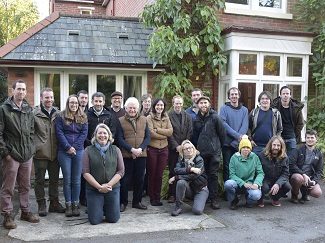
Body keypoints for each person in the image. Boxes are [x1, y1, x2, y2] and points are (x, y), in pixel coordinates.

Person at [0, 80, 39, 229]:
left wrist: (31, 149)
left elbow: (31, 132)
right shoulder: (4, 110)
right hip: (11, 154)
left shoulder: (28, 110)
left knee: (26, 185)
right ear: (13, 90)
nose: (21, 92)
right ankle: (7, 215)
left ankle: (25, 211)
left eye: (24, 89)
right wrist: (6, 154)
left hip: (26, 154)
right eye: (19, 89)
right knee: (8, 187)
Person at [80, 92, 121, 205]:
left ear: (103, 102)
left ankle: (106, 195)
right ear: (92, 102)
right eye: (96, 101)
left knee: (103, 173)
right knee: (87, 173)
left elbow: (112, 132)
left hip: (105, 148)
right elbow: (84, 132)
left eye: (100, 101)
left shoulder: (109, 115)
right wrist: (91, 144)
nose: (98, 103)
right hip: (89, 148)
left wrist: (104, 142)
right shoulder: (86, 114)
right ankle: (84, 199)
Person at [82, 124, 124, 225]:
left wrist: (108, 185)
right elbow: (85, 172)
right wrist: (99, 187)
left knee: (113, 219)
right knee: (95, 220)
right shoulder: (88, 150)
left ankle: (104, 208)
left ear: (109, 135)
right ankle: (97, 208)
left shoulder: (116, 150)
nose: (102, 135)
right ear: (95, 135)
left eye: (105, 133)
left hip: (112, 188)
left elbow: (121, 171)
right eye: (99, 133)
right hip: (94, 189)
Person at [33, 88, 65, 216]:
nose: (49, 100)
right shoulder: (34, 113)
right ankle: (41, 203)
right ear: (41, 98)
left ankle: (54, 203)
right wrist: (35, 147)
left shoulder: (58, 114)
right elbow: (30, 133)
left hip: (55, 152)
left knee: (54, 180)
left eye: (51, 97)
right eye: (46, 97)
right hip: (40, 153)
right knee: (39, 180)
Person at [55, 95, 88, 217]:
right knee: (67, 180)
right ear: (68, 103)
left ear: (79, 104)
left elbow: (84, 133)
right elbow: (59, 132)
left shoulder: (83, 117)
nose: (74, 105)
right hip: (64, 151)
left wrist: (75, 147)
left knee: (77, 180)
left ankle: (76, 204)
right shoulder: (61, 116)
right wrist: (68, 147)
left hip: (79, 151)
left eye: (76, 103)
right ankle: (68, 205)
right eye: (71, 102)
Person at [192, 96, 225, 209]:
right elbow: (194, 136)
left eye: (205, 103)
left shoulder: (215, 117)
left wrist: (218, 148)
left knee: (213, 175)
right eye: (201, 103)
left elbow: (222, 134)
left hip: (214, 152)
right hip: (201, 152)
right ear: (198, 105)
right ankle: (204, 197)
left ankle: (214, 199)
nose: (203, 105)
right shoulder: (196, 119)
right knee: (202, 175)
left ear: (209, 104)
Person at [117, 97, 150, 212]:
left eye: (134, 107)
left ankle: (137, 201)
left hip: (141, 155)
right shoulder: (120, 120)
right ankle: (123, 202)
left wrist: (140, 149)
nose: (132, 110)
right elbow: (119, 139)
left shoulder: (144, 120)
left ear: (138, 108)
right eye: (130, 107)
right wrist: (132, 150)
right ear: (125, 108)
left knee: (140, 179)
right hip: (126, 155)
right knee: (125, 180)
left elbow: (148, 138)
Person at [168, 140, 209, 216]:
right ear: (182, 151)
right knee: (181, 182)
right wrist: (190, 169)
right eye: (186, 149)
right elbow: (176, 169)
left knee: (197, 211)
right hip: (189, 189)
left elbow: (194, 176)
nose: (189, 150)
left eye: (190, 148)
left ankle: (200, 200)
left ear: (194, 148)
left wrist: (176, 177)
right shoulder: (181, 159)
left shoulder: (199, 159)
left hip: (200, 189)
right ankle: (178, 207)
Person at [224, 135, 264, 209]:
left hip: (250, 184)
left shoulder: (255, 157)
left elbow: (260, 173)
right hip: (238, 183)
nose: (246, 149)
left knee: (257, 195)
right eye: (244, 147)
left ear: (250, 149)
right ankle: (234, 200)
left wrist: (256, 183)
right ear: (240, 148)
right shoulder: (234, 158)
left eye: (248, 147)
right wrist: (243, 183)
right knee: (228, 184)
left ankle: (249, 202)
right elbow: (232, 174)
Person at [146, 98, 173, 206]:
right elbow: (151, 133)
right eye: (157, 105)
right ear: (154, 106)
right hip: (152, 149)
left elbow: (170, 132)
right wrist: (163, 134)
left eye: (161, 105)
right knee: (152, 173)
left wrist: (158, 130)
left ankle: (158, 197)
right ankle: (152, 197)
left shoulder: (166, 117)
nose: (159, 107)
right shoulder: (149, 117)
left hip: (164, 149)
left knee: (160, 174)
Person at [219, 87, 249, 182]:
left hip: (239, 145)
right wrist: (237, 136)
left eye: (236, 94)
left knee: (239, 167)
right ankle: (228, 192)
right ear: (229, 96)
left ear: (239, 96)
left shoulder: (244, 110)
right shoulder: (224, 109)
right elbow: (223, 124)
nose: (234, 96)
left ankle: (238, 190)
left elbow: (245, 126)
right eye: (232, 94)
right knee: (227, 167)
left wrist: (237, 140)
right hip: (227, 144)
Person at [167, 95, 192, 203]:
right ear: (173, 104)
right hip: (173, 149)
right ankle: (172, 194)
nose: (178, 105)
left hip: (185, 149)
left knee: (184, 170)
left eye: (180, 103)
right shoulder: (168, 116)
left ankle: (183, 194)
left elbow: (190, 131)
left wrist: (185, 145)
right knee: (173, 170)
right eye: (176, 103)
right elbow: (169, 133)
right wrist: (176, 146)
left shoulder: (187, 116)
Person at [289, 129, 323, 204]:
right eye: (308, 137)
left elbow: (319, 170)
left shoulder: (319, 153)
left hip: (310, 178)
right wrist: (303, 174)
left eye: (312, 137)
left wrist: (314, 181)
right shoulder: (298, 149)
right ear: (305, 139)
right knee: (298, 178)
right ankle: (294, 195)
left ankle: (305, 194)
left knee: (317, 193)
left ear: (316, 139)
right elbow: (291, 164)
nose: (310, 139)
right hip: (298, 175)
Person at [258, 136, 291, 207]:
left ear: (281, 147)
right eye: (274, 145)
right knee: (265, 188)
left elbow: (285, 174)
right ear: (270, 145)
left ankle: (275, 198)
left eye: (278, 145)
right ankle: (260, 198)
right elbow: (257, 171)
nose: (276, 147)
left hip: (277, 179)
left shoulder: (285, 157)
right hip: (265, 179)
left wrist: (278, 184)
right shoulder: (262, 155)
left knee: (287, 186)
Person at [272, 86, 304, 152]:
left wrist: (294, 134)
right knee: (278, 158)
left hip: (291, 137)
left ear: (290, 95)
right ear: (280, 95)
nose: (285, 95)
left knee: (291, 159)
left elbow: (300, 124)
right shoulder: (274, 107)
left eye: (287, 93)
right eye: (283, 94)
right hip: (278, 137)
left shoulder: (296, 108)